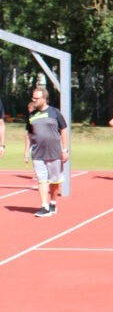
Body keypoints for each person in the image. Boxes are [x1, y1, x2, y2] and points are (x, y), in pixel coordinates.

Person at [25, 82, 68, 217]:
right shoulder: (32, 115)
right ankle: (44, 206)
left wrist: (65, 150)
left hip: (54, 152)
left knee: (54, 181)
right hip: (37, 153)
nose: (34, 100)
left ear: (44, 98)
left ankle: (53, 203)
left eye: (36, 98)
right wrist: (26, 152)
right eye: (33, 98)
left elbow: (63, 130)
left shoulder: (55, 112)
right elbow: (29, 134)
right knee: (42, 180)